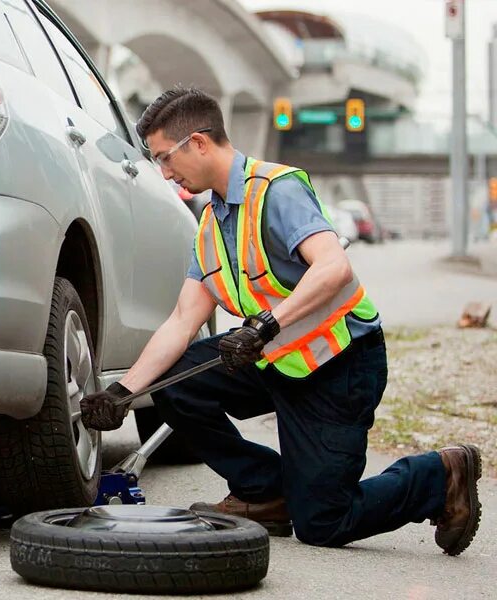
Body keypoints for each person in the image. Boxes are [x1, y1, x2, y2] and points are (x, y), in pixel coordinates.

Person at [80, 88, 481, 554]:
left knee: (325, 522)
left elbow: (334, 267)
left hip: (339, 367)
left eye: (165, 158)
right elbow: (183, 320)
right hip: (276, 360)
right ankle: (265, 489)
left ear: (200, 142)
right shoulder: (212, 224)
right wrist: (124, 392)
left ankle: (440, 474)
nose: (164, 172)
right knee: (172, 383)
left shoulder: (278, 190)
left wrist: (265, 325)